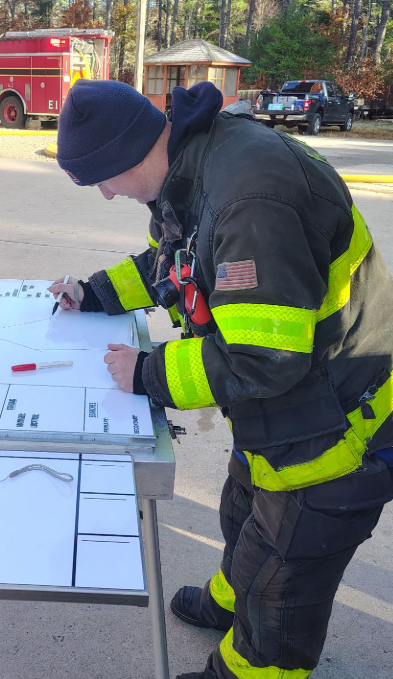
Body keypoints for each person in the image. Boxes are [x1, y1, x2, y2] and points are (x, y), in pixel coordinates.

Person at [49, 79, 393, 679]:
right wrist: (96, 293)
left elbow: (264, 359)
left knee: (283, 585)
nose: (105, 195)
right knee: (243, 512)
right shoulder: (197, 165)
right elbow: (176, 264)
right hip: (288, 412)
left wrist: (149, 374)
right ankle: (230, 599)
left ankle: (251, 666)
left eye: (101, 178)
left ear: (128, 154)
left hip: (339, 432)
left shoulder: (250, 199)